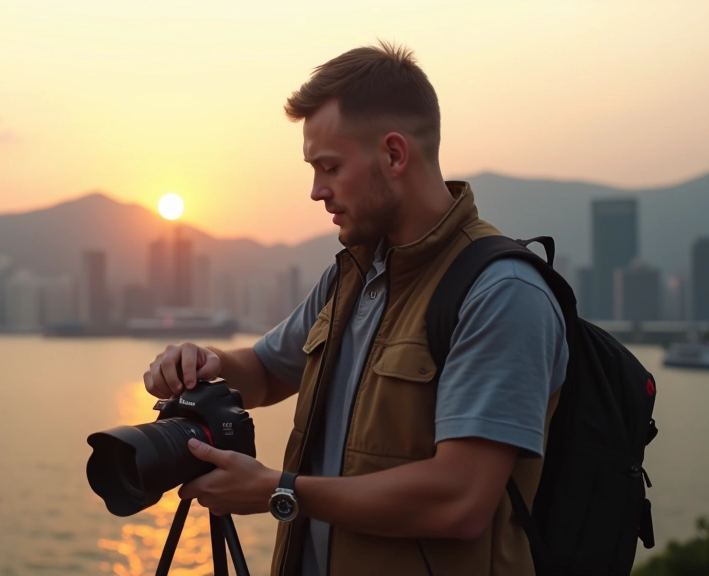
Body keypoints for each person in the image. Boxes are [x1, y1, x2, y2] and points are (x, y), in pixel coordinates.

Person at [142, 41, 567, 576]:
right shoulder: (352, 278)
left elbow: (460, 500)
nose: (317, 191)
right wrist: (205, 363)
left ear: (393, 154)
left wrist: (277, 489)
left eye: (330, 167)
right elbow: (267, 372)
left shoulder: (501, 292)